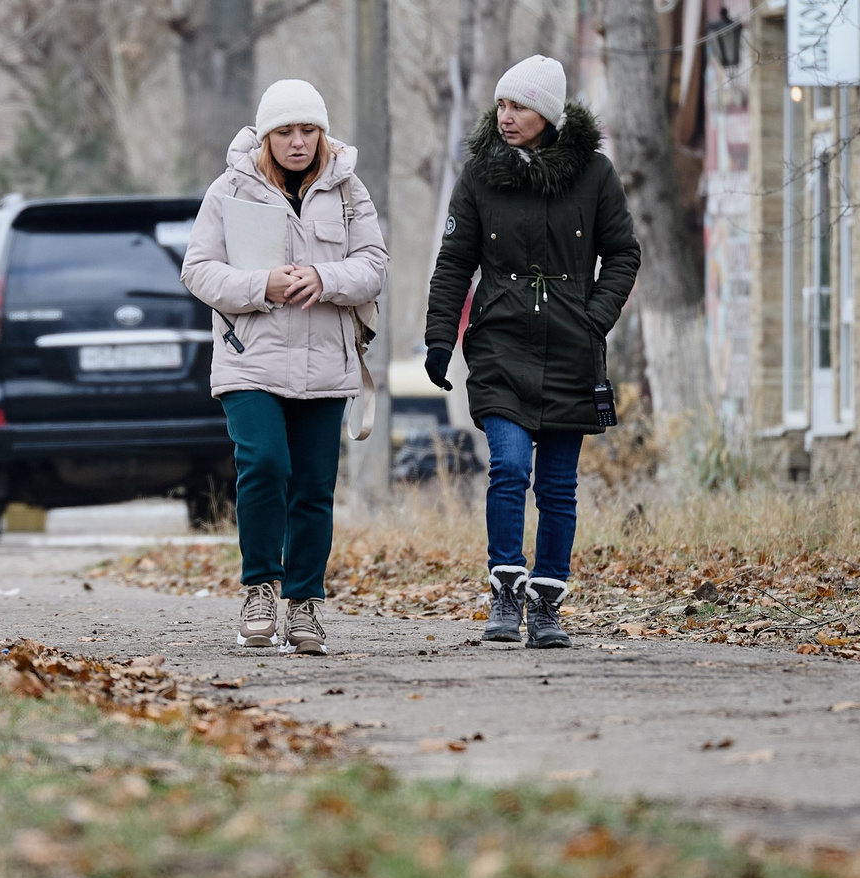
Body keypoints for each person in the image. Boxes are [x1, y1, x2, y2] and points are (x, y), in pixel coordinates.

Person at [423, 56, 640, 647]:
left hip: (572, 351)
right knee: (509, 467)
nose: (506, 116)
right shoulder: (479, 175)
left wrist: (594, 318)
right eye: (501, 105)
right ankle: (504, 589)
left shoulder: (594, 174)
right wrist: (440, 337)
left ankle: (546, 602)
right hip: (499, 346)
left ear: (547, 113)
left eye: (518, 106)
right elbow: (453, 265)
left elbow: (624, 253)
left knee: (559, 487)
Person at [182, 79, 388, 655]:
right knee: (265, 464)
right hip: (252, 359)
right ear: (265, 136)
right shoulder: (229, 189)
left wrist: (326, 279)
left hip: (326, 361)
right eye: (285, 133)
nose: (297, 143)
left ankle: (304, 605)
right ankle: (258, 591)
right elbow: (197, 270)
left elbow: (373, 265)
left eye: (307, 131)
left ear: (321, 133)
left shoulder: (349, 190)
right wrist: (260, 285)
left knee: (315, 486)